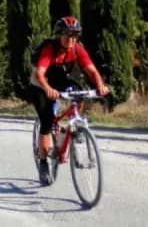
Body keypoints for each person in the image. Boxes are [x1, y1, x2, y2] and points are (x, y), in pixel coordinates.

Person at [28, 16, 109, 185]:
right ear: (59, 35)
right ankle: (43, 162)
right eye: (67, 35)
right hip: (40, 84)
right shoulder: (50, 49)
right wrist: (48, 89)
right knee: (47, 120)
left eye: (74, 35)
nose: (71, 39)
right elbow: (39, 74)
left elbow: (91, 70)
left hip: (58, 79)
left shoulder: (77, 49)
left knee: (78, 93)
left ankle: (72, 125)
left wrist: (100, 85)